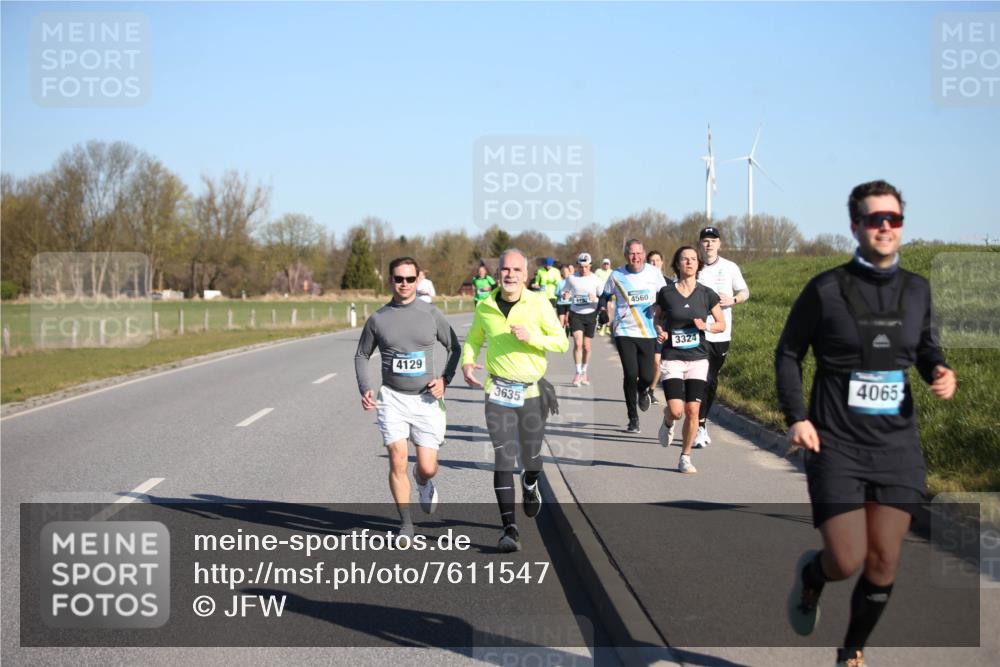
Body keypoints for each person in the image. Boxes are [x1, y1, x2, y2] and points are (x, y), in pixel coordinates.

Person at [776, 180, 957, 667]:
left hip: (896, 447)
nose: (884, 226)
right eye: (874, 219)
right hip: (835, 443)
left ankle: (852, 650)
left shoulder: (917, 289)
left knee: (885, 559)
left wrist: (937, 369)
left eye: (893, 219)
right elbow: (789, 352)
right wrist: (796, 417)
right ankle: (814, 576)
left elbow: (924, 347)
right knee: (847, 557)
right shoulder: (827, 289)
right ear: (855, 225)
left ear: (901, 225)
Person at [462, 248, 569, 552]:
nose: (510, 275)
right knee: (503, 457)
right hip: (497, 390)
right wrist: (467, 362)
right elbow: (472, 340)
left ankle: (531, 481)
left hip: (532, 391)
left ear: (526, 275)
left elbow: (561, 342)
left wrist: (532, 338)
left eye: (516, 271)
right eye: (505, 270)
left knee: (532, 458)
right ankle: (509, 528)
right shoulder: (485, 306)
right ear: (498, 274)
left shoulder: (538, 304)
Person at [355, 257, 462, 541]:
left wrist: (444, 380)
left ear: (418, 280)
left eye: (409, 279)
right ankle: (405, 524)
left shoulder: (431, 314)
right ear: (390, 281)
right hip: (392, 398)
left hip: (426, 399)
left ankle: (423, 480)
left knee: (428, 466)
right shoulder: (378, 318)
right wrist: (365, 386)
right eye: (398, 279)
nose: (404, 284)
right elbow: (362, 354)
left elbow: (454, 348)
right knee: (396, 458)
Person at [654, 246, 726, 474]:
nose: (689, 262)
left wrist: (707, 326)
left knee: (693, 409)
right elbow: (658, 318)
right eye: (685, 259)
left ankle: (685, 456)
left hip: (698, 358)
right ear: (677, 264)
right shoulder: (666, 293)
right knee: (676, 410)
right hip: (673, 357)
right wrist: (660, 331)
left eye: (693, 259)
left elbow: (721, 323)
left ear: (698, 264)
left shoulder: (707, 294)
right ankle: (667, 421)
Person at [598, 239, 667, 433]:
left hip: (648, 331)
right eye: (631, 253)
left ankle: (643, 390)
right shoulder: (617, 275)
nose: (635, 257)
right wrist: (603, 309)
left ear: (644, 254)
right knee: (630, 374)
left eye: (638, 253)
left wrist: (667, 312)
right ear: (626, 255)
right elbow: (604, 295)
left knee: (646, 375)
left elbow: (664, 295)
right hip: (624, 331)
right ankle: (633, 418)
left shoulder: (654, 273)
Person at [694, 226, 749, 448]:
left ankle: (701, 422)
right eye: (705, 241)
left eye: (713, 240)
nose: (709, 244)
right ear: (700, 244)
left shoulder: (730, 267)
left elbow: (745, 292)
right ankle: (699, 426)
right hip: (698, 333)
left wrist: (733, 300)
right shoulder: (694, 266)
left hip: (721, 332)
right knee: (701, 378)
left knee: (711, 380)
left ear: (719, 244)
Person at [563, 252, 603, 387]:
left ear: (590, 265)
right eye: (581, 267)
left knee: (587, 346)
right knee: (578, 344)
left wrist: (596, 299)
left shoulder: (596, 279)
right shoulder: (571, 278)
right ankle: (578, 372)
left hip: (590, 314)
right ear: (577, 266)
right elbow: (564, 294)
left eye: (586, 266)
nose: (583, 269)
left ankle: (585, 371)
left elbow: (603, 298)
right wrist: (565, 294)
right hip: (576, 314)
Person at [646, 250, 666, 405]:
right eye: (651, 261)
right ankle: (643, 386)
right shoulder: (643, 281)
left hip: (661, 327)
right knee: (646, 362)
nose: (654, 263)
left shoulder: (669, 283)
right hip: (644, 327)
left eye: (657, 260)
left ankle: (651, 390)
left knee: (657, 362)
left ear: (662, 262)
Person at [593, 258, 613, 336]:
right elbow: (594, 281)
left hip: (609, 293)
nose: (606, 265)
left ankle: (607, 327)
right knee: (601, 310)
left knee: (609, 309)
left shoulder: (612, 272)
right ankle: (601, 326)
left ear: (609, 265)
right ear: (602, 264)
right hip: (600, 293)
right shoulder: (598, 271)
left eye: (607, 264)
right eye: (604, 263)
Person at [555, 263, 575, 335]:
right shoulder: (560, 283)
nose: (566, 273)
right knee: (561, 322)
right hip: (560, 304)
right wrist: (561, 295)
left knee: (567, 321)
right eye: (564, 272)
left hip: (569, 304)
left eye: (567, 272)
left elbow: (575, 293)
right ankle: (562, 337)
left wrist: (569, 295)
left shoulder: (572, 283)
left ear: (570, 273)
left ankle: (566, 336)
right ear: (562, 274)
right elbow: (556, 293)